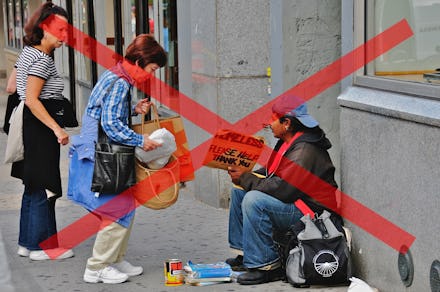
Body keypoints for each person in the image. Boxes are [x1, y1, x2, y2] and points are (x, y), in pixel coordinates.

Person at [68, 34, 167, 284]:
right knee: (116, 209)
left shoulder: (117, 75)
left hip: (103, 152)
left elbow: (107, 112)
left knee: (124, 206)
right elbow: (111, 124)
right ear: (140, 61)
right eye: (152, 69)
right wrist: (141, 140)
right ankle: (97, 266)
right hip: (105, 154)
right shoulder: (121, 83)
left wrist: (134, 109)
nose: (151, 75)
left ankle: (115, 258)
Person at [225, 96, 340, 285]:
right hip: (297, 201)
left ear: (286, 123)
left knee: (253, 200)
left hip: (312, 212)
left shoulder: (305, 150)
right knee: (239, 192)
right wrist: (245, 175)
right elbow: (273, 174)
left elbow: (284, 189)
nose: (269, 124)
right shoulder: (289, 141)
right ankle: (247, 255)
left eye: (273, 119)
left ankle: (267, 266)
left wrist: (246, 178)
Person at [11, 2, 74, 261]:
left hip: (30, 124)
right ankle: (42, 247)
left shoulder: (28, 53)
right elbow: (34, 99)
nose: (64, 36)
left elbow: (12, 87)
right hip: (39, 126)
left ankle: (27, 243)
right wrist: (57, 128)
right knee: (44, 186)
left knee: (33, 185)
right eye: (60, 29)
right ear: (44, 27)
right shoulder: (41, 59)